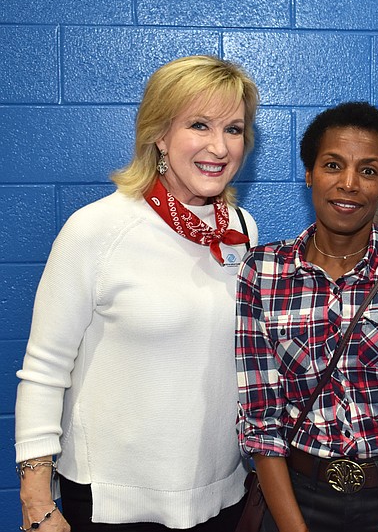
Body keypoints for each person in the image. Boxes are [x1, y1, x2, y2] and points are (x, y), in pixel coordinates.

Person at [15, 55, 260, 532]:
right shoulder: (97, 229)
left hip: (222, 494)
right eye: (199, 124)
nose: (219, 146)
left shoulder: (241, 229)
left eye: (234, 129)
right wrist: (36, 500)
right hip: (115, 503)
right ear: (159, 135)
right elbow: (44, 369)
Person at [235, 101, 378, 532]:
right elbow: (261, 420)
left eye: (369, 171)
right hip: (295, 500)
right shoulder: (262, 270)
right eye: (333, 164)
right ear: (309, 173)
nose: (348, 183)